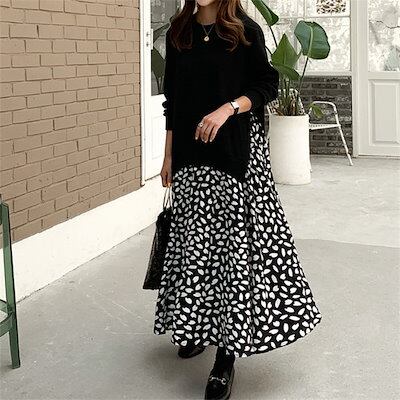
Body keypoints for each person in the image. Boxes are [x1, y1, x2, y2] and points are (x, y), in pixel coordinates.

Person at [153, 1, 322, 399]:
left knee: (233, 257)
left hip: (236, 157)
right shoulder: (179, 33)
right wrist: (168, 156)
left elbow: (265, 86)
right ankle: (196, 328)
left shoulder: (244, 30)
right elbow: (172, 101)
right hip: (191, 159)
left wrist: (228, 109)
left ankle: (225, 357)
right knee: (196, 251)